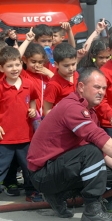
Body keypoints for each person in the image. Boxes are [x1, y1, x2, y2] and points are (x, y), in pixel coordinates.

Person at [27, 67, 112, 221]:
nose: (101, 92)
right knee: (92, 152)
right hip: (42, 175)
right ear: (81, 87)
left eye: (104, 88)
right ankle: (92, 212)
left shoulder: (90, 112)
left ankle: (57, 195)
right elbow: (98, 140)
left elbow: (103, 152)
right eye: (96, 87)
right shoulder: (72, 107)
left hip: (57, 169)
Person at [0, 46, 43, 202]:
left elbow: (33, 99)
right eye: (9, 65)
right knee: (1, 167)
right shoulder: (0, 86)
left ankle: (32, 192)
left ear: (21, 64)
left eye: (17, 64)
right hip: (5, 137)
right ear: (1, 68)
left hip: (26, 136)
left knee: (28, 167)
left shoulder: (28, 84)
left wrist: (32, 109)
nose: (14, 68)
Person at [43, 42, 78, 115]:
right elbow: (47, 111)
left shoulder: (76, 75)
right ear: (56, 64)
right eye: (66, 66)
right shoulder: (53, 85)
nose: (71, 68)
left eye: (73, 64)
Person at [21, 43, 54, 116]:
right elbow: (17, 57)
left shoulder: (46, 76)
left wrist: (50, 73)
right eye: (33, 62)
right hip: (31, 116)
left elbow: (60, 84)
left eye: (40, 62)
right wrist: (27, 40)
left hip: (47, 116)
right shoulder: (23, 74)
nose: (37, 65)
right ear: (24, 60)